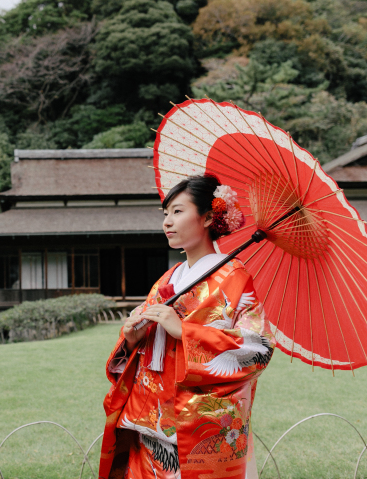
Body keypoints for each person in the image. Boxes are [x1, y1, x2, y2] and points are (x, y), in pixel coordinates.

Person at [99, 174, 275, 479]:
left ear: (208, 217)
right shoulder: (168, 279)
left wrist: (185, 332)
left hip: (197, 432)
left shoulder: (235, 278)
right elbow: (140, 347)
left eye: (178, 212)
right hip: (147, 423)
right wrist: (130, 340)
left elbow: (258, 348)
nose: (167, 221)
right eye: (165, 213)